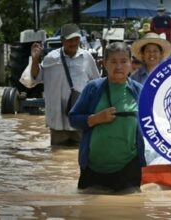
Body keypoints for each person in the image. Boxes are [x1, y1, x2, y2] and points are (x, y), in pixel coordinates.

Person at [68, 42, 146, 192]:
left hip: (129, 166)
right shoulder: (93, 88)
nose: (119, 67)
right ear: (104, 63)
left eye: (124, 61)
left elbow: (155, 125)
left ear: (131, 63)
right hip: (93, 167)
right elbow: (73, 119)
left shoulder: (139, 91)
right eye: (113, 62)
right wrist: (96, 118)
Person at [19, 23, 100, 146]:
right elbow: (35, 78)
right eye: (70, 40)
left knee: (79, 153)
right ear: (62, 40)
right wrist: (35, 59)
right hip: (57, 118)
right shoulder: (51, 58)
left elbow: (96, 84)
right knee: (57, 153)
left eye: (76, 39)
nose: (73, 43)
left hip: (79, 117)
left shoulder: (87, 58)